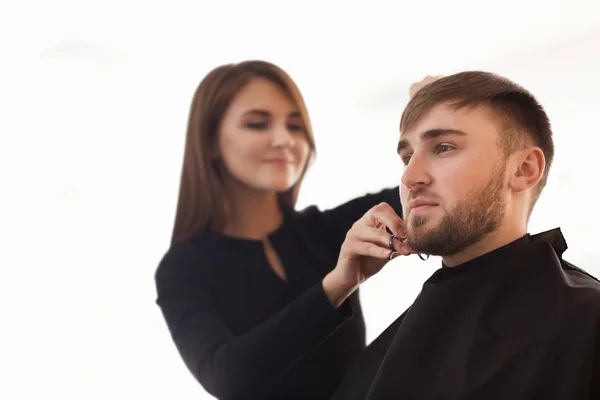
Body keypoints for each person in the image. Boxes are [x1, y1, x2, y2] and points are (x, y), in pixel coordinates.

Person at [153, 60, 414, 399]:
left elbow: (426, 192)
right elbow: (229, 379)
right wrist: (337, 285)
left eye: (295, 126)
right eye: (258, 124)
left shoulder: (329, 231)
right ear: (211, 142)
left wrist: (433, 117)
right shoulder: (184, 268)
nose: (284, 140)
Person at [331, 71, 600, 399]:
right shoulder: (395, 341)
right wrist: (338, 285)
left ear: (524, 169)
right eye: (406, 157)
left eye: (443, 147)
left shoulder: (585, 322)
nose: (409, 177)